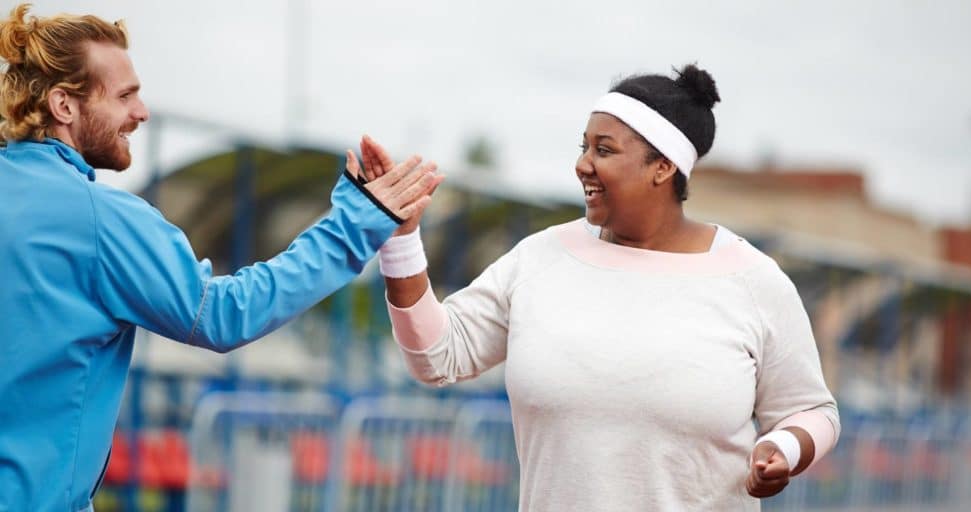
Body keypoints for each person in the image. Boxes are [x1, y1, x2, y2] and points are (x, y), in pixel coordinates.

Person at [0, 5, 441, 511]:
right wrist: (355, 224)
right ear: (64, 105)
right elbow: (221, 314)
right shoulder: (98, 220)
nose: (141, 112)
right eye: (125, 96)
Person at [366, 63, 840, 510]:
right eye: (584, 146)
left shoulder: (751, 280)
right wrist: (401, 240)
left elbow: (813, 411)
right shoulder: (540, 258)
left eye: (604, 150)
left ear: (663, 167)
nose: (582, 165)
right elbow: (437, 355)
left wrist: (784, 448)